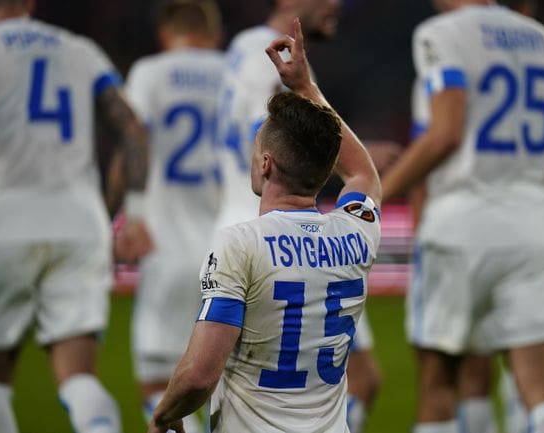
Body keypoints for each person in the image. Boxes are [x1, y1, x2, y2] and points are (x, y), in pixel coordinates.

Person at [147, 18, 381, 433]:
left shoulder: (240, 244)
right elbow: (362, 172)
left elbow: (201, 376)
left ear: (265, 163)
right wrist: (306, 88)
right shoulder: (356, 233)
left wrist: (164, 414)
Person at [381, 1, 544, 432]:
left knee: (440, 385)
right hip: (533, 227)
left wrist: (376, 192)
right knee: (541, 385)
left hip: (460, 222)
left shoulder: (442, 33)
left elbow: (445, 132)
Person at [214, 1, 380, 431]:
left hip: (239, 233)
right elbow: (276, 144)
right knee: (359, 378)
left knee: (237, 384)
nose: (338, 5)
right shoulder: (271, 57)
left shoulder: (242, 47)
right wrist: (308, 92)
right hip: (281, 233)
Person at [0, 1, 150, 432]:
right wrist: (130, 214)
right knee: (79, 377)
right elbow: (132, 127)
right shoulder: (78, 49)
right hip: (78, 221)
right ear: (29, 3)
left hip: (2, 221)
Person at [114, 1, 224, 431]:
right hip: (233, 248)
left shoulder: (149, 73)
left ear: (165, 35)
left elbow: (132, 140)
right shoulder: (235, 68)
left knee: (160, 387)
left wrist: (131, 217)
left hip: (167, 246)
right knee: (232, 385)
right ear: (215, 35)